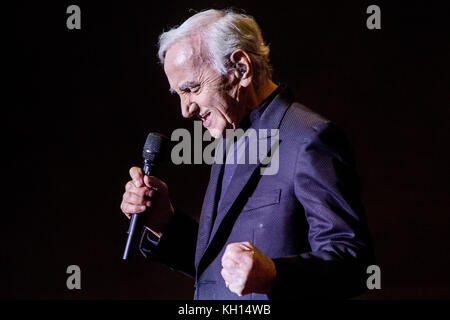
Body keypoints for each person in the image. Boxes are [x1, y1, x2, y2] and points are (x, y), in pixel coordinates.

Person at [120, 9, 374, 300]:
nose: (185, 109)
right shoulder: (232, 133)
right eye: (178, 94)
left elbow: (355, 265)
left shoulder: (308, 138)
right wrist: (166, 223)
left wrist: (276, 275)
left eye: (192, 89)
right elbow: (221, 268)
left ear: (241, 68)